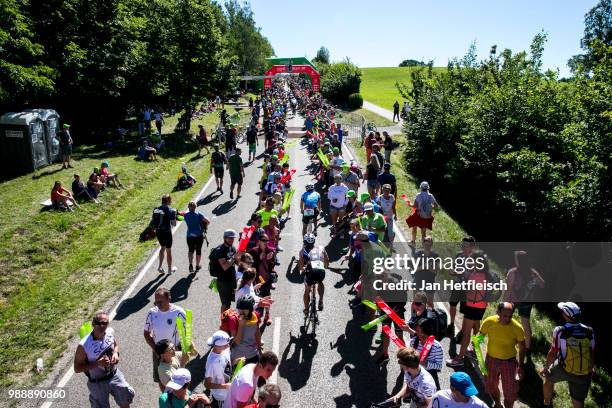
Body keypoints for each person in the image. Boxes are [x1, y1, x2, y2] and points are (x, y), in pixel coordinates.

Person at [74, 310, 135, 408]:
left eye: (105, 323)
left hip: (114, 375)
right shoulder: (84, 345)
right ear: (93, 324)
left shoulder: (109, 332)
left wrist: (115, 353)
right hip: (97, 383)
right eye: (98, 323)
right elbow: (77, 368)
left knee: (125, 402)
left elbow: (115, 345)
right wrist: (97, 364)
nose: (102, 326)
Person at [541, 302, 595, 408]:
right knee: (578, 401)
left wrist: (546, 367)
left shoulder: (560, 330)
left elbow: (553, 352)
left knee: (548, 379)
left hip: (563, 368)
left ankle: (546, 403)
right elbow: (591, 352)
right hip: (583, 373)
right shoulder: (589, 331)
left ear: (565, 315)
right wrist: (591, 367)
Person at [477, 302, 526, 408]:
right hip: (491, 360)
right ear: (498, 312)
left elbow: (522, 348)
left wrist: (521, 366)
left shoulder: (517, 328)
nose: (507, 319)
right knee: (491, 386)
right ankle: (498, 404)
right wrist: (476, 343)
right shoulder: (489, 322)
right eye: (505, 315)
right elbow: (480, 338)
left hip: (509, 363)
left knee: (510, 393)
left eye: (510, 316)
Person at [447, 251, 490, 367]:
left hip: (471, 306)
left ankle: (459, 358)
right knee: (477, 329)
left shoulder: (474, 275)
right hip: (482, 306)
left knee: (466, 333)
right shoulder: (487, 274)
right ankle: (476, 351)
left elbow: (467, 290)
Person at [143, 288, 187, 391]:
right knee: (161, 379)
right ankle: (166, 400)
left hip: (174, 351)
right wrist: (156, 350)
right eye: (156, 302)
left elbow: (185, 334)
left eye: (160, 301)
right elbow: (146, 333)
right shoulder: (152, 313)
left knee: (178, 378)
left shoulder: (179, 312)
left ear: (169, 299)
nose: (157, 304)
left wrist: (186, 349)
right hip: (157, 351)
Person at [504, 250, 545, 351]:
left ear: (518, 260)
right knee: (525, 324)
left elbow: (508, 290)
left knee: (506, 320)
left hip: (513, 300)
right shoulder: (532, 272)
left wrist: (503, 303)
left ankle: (506, 341)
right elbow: (543, 284)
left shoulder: (513, 272)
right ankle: (527, 348)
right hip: (527, 301)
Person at [210, 229, 241, 313]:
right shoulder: (220, 251)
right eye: (229, 238)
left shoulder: (233, 248)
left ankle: (229, 319)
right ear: (224, 238)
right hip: (223, 281)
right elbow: (225, 266)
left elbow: (237, 263)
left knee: (236, 300)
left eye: (233, 238)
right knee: (225, 304)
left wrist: (240, 256)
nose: (231, 240)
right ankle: (224, 322)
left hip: (232, 278)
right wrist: (234, 257)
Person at [410, 318, 444, 390]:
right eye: (418, 331)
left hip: (430, 375)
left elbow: (439, 366)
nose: (419, 334)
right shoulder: (413, 342)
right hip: (415, 374)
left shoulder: (437, 346)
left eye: (423, 332)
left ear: (428, 331)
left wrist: (426, 364)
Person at [299, 233, 329, 313]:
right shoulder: (321, 247)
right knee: (320, 282)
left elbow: (301, 267)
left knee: (307, 290)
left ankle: (306, 309)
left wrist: (303, 269)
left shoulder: (302, 251)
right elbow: (327, 260)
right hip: (320, 270)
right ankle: (321, 301)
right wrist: (325, 267)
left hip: (311, 271)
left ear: (304, 242)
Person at [232, 295, 262, 365]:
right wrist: (241, 325)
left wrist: (260, 350)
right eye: (240, 309)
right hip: (238, 357)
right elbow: (237, 341)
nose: (241, 311)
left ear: (250, 309)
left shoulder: (255, 316)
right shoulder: (234, 320)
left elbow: (257, 334)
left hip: (253, 354)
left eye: (244, 309)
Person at [205, 330, 232, 408]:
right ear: (217, 346)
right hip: (221, 396)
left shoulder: (225, 349)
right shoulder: (211, 363)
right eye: (225, 345)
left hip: (228, 389)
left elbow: (226, 363)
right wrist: (225, 386)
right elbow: (207, 384)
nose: (228, 346)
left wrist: (234, 361)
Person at [153, 194, 177, 274]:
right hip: (167, 232)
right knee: (168, 250)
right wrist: (174, 216)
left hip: (158, 232)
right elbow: (174, 224)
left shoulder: (156, 209)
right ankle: (169, 270)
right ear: (168, 201)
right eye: (170, 200)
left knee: (162, 247)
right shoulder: (170, 210)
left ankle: (160, 266)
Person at [413, 236, 440, 307]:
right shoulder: (418, 254)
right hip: (418, 280)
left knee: (430, 303)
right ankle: (413, 316)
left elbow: (435, 272)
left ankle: (431, 317)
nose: (427, 246)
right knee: (416, 302)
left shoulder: (435, 256)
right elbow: (415, 269)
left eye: (429, 245)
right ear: (423, 244)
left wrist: (429, 268)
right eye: (426, 245)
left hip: (430, 281)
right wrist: (425, 266)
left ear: (431, 245)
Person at [184, 201, 209, 273]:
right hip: (199, 235)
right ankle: (197, 266)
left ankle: (190, 264)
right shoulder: (198, 215)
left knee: (190, 250)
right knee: (198, 250)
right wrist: (205, 227)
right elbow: (208, 221)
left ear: (188, 207)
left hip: (189, 236)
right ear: (195, 207)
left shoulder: (185, 215)